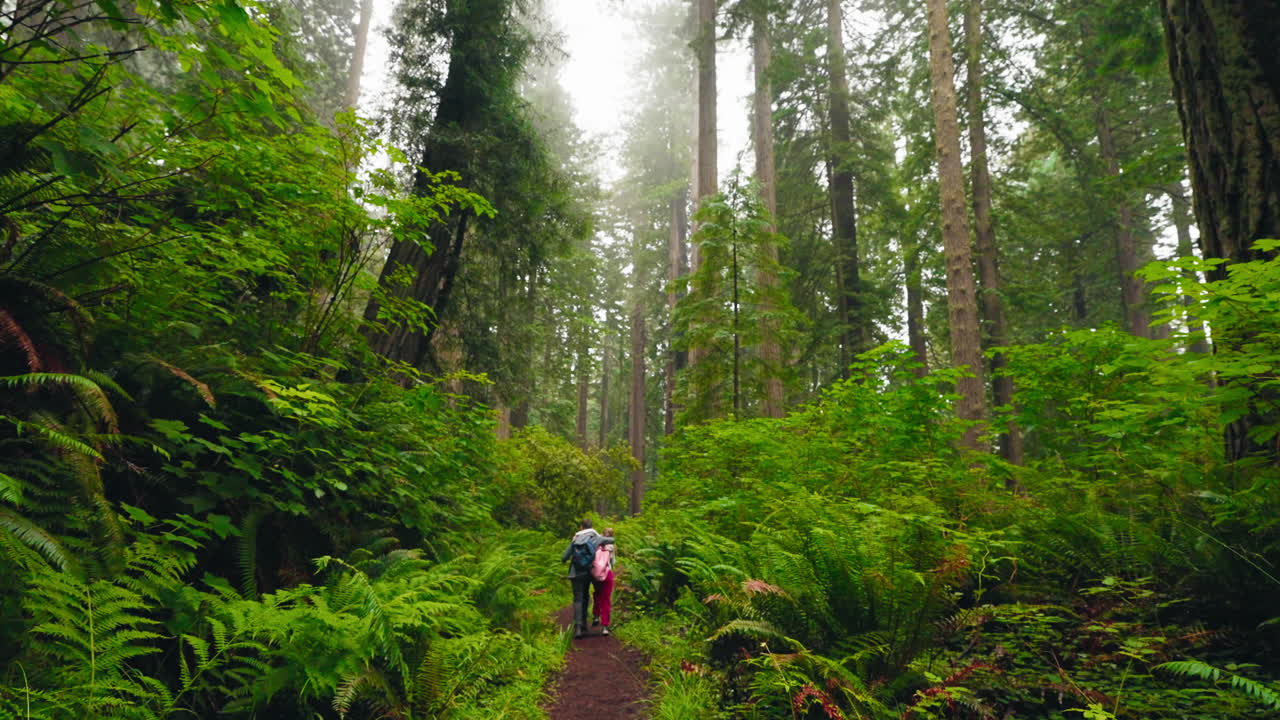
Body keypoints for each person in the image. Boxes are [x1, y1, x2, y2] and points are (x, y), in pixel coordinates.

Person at [561, 518, 614, 638]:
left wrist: (567, 560)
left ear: (581, 527)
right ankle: (588, 622)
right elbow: (612, 540)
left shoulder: (576, 538)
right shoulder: (597, 537)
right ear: (591, 527)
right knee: (588, 596)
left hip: (576, 572)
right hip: (591, 572)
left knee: (578, 599)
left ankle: (579, 627)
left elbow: (564, 556)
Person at [591, 527, 617, 635]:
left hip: (596, 574)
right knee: (606, 599)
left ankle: (596, 615)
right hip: (607, 573)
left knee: (597, 594)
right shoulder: (611, 547)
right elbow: (613, 562)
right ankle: (605, 626)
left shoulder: (595, 544)